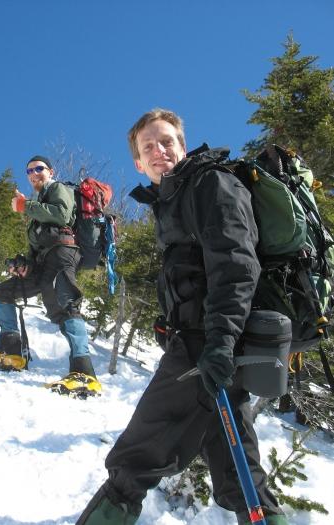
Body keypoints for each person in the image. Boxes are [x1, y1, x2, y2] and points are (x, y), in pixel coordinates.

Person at [76, 109, 288, 524]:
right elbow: (194, 271)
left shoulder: (209, 183)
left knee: (134, 460)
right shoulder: (174, 199)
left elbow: (235, 265)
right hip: (208, 341)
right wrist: (170, 321)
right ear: (138, 162)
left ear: (182, 145)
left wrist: (220, 342)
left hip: (208, 344)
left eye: (167, 140)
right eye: (148, 146)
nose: (160, 151)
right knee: (236, 470)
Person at [0, 155, 101, 398]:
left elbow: (62, 216)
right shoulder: (37, 209)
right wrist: (23, 265)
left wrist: (25, 206)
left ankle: (85, 372)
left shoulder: (58, 189)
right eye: (29, 170)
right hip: (44, 264)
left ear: (50, 171)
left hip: (63, 253)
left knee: (66, 303)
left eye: (39, 169)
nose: (34, 173)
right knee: (3, 293)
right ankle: (11, 351)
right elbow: (36, 250)